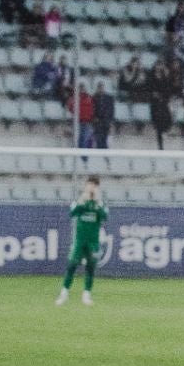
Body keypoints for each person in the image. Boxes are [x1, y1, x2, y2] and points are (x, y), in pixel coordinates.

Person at [56, 177, 108, 306]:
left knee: (90, 268)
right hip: (79, 240)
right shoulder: (79, 201)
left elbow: (105, 217)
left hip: (93, 242)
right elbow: (72, 213)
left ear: (97, 188)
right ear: (86, 186)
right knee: (72, 266)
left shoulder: (100, 203)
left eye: (94, 186)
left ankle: (86, 295)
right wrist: (82, 202)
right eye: (89, 185)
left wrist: (96, 204)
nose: (91, 188)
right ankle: (64, 294)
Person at [91, 84, 114, 148]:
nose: (100, 89)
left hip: (106, 121)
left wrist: (110, 120)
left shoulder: (109, 98)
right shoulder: (94, 97)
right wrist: (94, 117)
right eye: (99, 88)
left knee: (105, 137)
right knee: (98, 137)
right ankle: (99, 151)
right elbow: (92, 108)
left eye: (101, 88)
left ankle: (105, 153)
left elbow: (111, 109)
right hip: (97, 121)